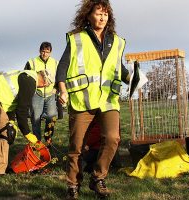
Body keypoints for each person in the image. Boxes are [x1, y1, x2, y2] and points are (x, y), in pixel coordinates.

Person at [55, 0, 130, 199]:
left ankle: (98, 177)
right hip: (82, 100)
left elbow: (118, 68)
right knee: (76, 147)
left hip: (108, 100)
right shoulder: (77, 38)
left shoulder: (116, 41)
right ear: (88, 15)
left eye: (105, 13)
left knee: (113, 138)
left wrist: (133, 78)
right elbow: (62, 67)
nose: (102, 17)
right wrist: (62, 90)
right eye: (98, 13)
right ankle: (73, 184)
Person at [0, 69, 54, 178]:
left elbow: (12, 103)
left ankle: (3, 165)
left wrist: (11, 121)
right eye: (46, 85)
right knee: (7, 133)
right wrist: (27, 133)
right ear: (45, 81)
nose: (43, 87)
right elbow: (22, 110)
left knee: (9, 131)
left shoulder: (26, 76)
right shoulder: (30, 82)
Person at [24, 42, 58, 142]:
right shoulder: (31, 62)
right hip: (36, 95)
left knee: (52, 118)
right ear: (39, 51)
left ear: (50, 52)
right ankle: (37, 143)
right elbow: (25, 77)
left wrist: (56, 88)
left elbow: (60, 77)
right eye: (43, 51)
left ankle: (48, 140)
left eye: (47, 52)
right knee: (35, 119)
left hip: (50, 95)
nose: (45, 54)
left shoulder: (56, 63)